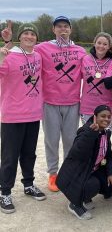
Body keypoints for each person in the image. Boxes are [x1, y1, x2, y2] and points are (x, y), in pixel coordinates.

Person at [35, 16, 86, 192]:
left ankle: (67, 172)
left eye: (66, 26)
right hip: (49, 102)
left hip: (72, 102)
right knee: (51, 140)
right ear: (53, 30)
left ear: (70, 29)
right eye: (59, 27)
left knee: (70, 141)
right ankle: (53, 174)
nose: (62, 29)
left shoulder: (79, 50)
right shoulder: (42, 48)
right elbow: (25, 57)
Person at [0, 23, 46, 214]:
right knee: (10, 156)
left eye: (32, 34)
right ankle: (5, 192)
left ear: (36, 38)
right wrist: (4, 51)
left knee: (29, 153)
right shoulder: (8, 56)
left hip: (33, 113)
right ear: (20, 37)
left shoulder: (38, 56)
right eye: (25, 34)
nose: (29, 36)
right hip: (12, 115)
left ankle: (28, 184)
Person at [56, 105, 112, 220]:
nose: (106, 119)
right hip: (78, 172)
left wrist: (111, 173)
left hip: (92, 169)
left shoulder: (105, 133)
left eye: (109, 117)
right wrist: (91, 133)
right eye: (103, 116)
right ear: (95, 117)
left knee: (109, 186)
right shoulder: (85, 130)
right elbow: (77, 152)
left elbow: (108, 156)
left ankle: (85, 197)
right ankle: (75, 204)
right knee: (94, 184)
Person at [80, 32, 112, 124]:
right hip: (87, 107)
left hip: (106, 108)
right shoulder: (85, 59)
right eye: (99, 43)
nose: (101, 46)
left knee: (104, 138)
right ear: (94, 43)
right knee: (88, 137)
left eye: (105, 44)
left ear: (109, 47)